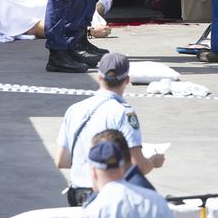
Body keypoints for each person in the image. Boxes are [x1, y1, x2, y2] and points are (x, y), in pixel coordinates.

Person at [54, 52, 164, 206]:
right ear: (127, 80)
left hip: (77, 196)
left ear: (99, 77)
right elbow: (137, 166)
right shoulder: (124, 113)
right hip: (107, 198)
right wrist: (154, 161)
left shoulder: (75, 109)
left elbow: (62, 161)